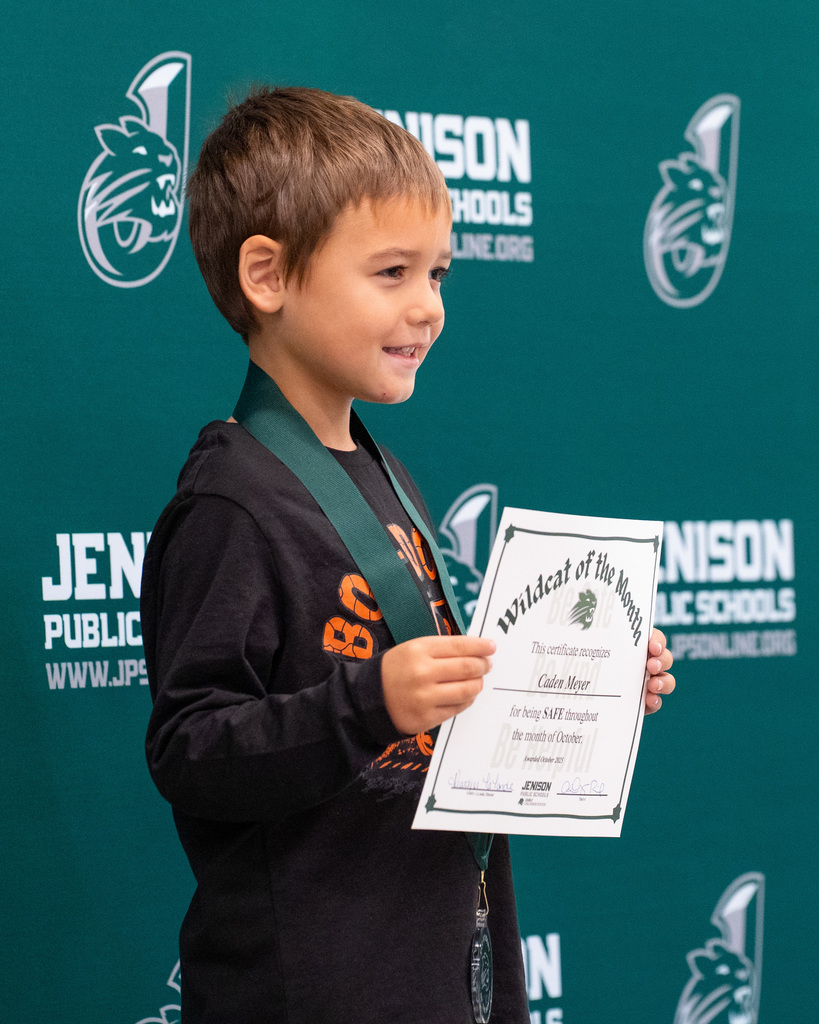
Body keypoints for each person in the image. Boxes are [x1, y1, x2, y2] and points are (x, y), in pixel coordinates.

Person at [142, 86, 675, 1024]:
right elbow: (191, 752)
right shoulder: (232, 502)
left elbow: (435, 717)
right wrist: (370, 700)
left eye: (438, 275)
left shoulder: (383, 477)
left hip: (441, 965)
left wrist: (581, 682)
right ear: (267, 276)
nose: (427, 307)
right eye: (390, 272)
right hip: (313, 983)